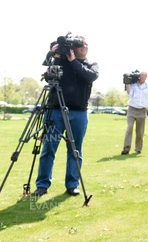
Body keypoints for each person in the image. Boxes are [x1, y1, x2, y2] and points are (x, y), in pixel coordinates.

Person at [33, 35, 99, 197]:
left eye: (86, 44)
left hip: (79, 113)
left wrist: (73, 61)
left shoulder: (91, 64)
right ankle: (42, 185)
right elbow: (48, 72)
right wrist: (53, 54)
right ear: (73, 47)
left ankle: (72, 184)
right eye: (80, 44)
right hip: (55, 111)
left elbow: (90, 76)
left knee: (75, 150)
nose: (84, 46)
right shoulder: (59, 60)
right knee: (49, 148)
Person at [121, 71, 148, 155]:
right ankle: (126, 149)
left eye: (145, 75)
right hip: (132, 109)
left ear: (147, 77)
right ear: (139, 76)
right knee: (129, 128)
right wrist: (127, 84)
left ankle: (138, 148)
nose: (143, 76)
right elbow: (130, 95)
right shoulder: (133, 84)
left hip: (142, 110)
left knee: (140, 131)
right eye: (142, 75)